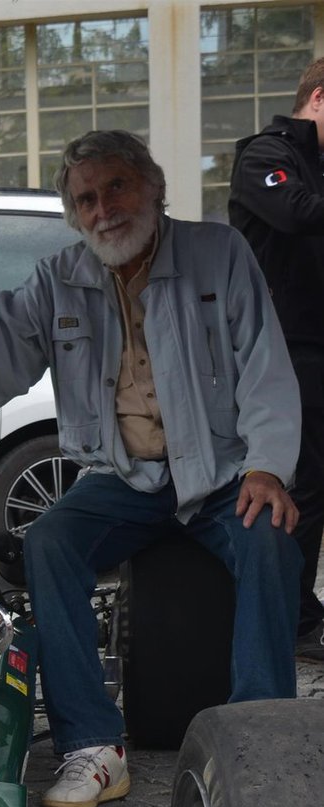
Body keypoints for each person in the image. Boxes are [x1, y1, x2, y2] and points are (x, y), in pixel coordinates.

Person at [0, 129, 302, 807]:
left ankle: (260, 735)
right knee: (49, 542)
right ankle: (94, 747)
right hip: (123, 477)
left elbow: (265, 367)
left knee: (271, 538)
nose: (103, 208)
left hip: (222, 470)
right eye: (85, 198)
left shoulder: (218, 254)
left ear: (153, 187)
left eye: (116, 187)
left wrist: (266, 468)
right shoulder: (59, 279)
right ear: (73, 215)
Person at [229, 57, 324, 662]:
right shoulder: (264, 156)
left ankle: (300, 614)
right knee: (304, 489)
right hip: (287, 354)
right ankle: (291, 621)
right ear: (318, 97)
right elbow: (297, 214)